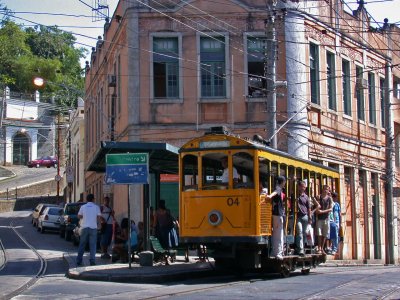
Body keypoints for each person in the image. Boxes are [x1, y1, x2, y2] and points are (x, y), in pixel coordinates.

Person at [263, 176, 286, 260]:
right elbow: (276, 192)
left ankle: (274, 251)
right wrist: (269, 196)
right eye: (284, 182)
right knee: (279, 234)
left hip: (274, 213)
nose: (285, 184)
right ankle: (278, 253)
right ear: (282, 182)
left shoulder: (276, 188)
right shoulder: (278, 188)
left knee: (275, 234)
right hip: (278, 214)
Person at [76, 193, 102, 266]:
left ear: (86, 199)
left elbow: (79, 216)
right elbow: (99, 217)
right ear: (93, 199)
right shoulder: (96, 207)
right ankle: (92, 261)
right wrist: (99, 225)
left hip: (84, 227)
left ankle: (79, 260)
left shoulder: (83, 207)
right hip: (93, 227)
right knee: (93, 245)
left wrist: (84, 216)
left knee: (82, 244)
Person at [295, 180, 311, 257]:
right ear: (298, 187)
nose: (303, 188)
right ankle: (300, 249)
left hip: (305, 216)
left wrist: (310, 217)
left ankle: (302, 247)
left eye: (304, 187)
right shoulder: (295, 195)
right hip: (298, 216)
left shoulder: (306, 197)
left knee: (304, 233)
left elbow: (309, 208)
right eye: (302, 187)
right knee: (300, 232)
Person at [316, 185, 333, 254]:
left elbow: (331, 208)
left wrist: (322, 211)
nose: (326, 190)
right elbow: (317, 208)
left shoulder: (329, 198)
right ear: (322, 189)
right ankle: (319, 247)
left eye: (327, 189)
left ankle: (322, 248)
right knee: (319, 234)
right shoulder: (319, 197)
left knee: (324, 234)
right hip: (319, 218)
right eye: (325, 189)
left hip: (326, 218)